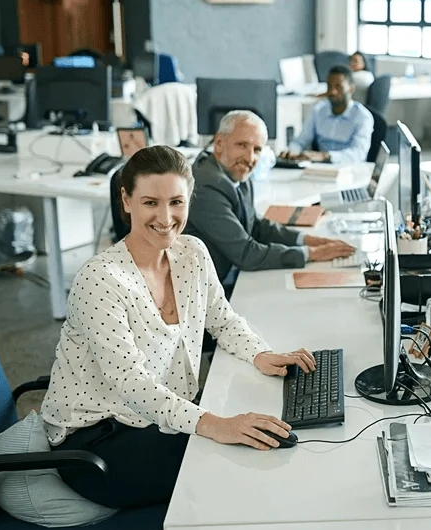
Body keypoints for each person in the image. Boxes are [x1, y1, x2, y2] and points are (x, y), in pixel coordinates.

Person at [41, 145, 317, 510]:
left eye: (176, 202)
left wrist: (260, 353)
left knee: (262, 439)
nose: (166, 217)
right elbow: (131, 382)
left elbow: (222, 318)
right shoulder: (100, 279)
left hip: (160, 419)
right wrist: (214, 423)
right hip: (99, 441)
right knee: (235, 470)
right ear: (126, 201)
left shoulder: (191, 253)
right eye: (150, 202)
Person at [185, 110, 355, 290]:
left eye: (257, 149)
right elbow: (246, 254)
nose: (250, 158)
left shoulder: (234, 172)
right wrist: (312, 254)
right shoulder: (206, 185)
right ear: (219, 143)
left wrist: (306, 240)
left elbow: (256, 226)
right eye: (242, 145)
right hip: (202, 292)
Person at [280, 65, 374, 164]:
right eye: (329, 86)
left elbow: (358, 154)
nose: (332, 91)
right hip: (320, 169)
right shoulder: (319, 110)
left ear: (351, 89)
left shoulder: (363, 117)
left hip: (349, 170)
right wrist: (292, 152)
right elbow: (300, 141)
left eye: (338, 87)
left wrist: (326, 156)